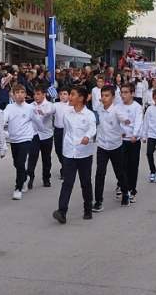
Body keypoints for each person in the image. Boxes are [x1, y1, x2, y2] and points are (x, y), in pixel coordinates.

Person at [52, 84, 97, 225]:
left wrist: (87, 137)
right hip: (69, 152)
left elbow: (93, 128)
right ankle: (62, 211)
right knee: (67, 183)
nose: (70, 97)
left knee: (85, 182)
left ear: (81, 98)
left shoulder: (89, 114)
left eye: (72, 94)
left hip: (84, 153)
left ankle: (88, 208)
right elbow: (66, 130)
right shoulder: (67, 113)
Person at [1, 84, 40, 200]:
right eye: (17, 92)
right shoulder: (9, 107)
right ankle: (24, 177)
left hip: (26, 138)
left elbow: (37, 122)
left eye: (22, 92)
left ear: (25, 94)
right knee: (17, 163)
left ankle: (18, 188)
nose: (19, 95)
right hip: (13, 139)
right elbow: (3, 119)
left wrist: (41, 132)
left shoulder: (30, 108)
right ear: (13, 95)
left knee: (20, 162)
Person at [92, 86, 127, 211]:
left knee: (119, 172)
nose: (104, 98)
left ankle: (125, 193)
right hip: (102, 146)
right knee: (100, 173)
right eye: (103, 95)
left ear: (113, 97)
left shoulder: (117, 110)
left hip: (115, 146)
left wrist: (126, 125)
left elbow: (125, 121)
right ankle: (98, 201)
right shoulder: (99, 109)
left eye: (107, 95)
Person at [116, 84, 144, 202]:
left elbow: (138, 122)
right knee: (121, 165)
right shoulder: (117, 107)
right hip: (121, 140)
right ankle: (123, 187)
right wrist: (119, 132)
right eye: (122, 92)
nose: (123, 95)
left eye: (126, 92)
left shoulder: (137, 107)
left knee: (132, 165)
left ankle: (132, 189)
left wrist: (135, 134)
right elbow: (116, 122)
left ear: (132, 93)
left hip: (133, 140)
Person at [27, 87, 54, 190]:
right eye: (35, 94)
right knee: (32, 157)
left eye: (38, 94)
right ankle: (30, 177)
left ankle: (46, 178)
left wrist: (42, 112)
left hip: (46, 135)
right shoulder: (30, 106)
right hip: (34, 135)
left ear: (44, 94)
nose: (36, 96)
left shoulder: (50, 105)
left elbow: (48, 112)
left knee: (46, 158)